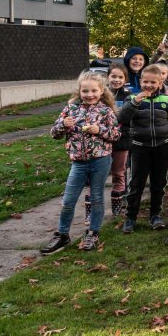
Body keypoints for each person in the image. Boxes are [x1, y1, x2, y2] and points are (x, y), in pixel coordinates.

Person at [41, 71, 121, 254]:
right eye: (85, 91)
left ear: (101, 91)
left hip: (100, 160)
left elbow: (116, 135)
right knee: (68, 200)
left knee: (97, 198)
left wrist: (99, 130)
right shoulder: (70, 109)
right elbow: (54, 133)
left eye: (94, 90)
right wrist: (63, 125)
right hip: (78, 162)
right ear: (79, 91)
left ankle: (93, 233)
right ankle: (62, 234)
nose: (90, 95)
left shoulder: (105, 111)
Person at [118, 65, 168, 234]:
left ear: (160, 83)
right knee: (136, 184)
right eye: (145, 81)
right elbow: (122, 118)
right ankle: (130, 218)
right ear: (140, 81)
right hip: (139, 147)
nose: (149, 85)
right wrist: (135, 102)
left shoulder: (166, 101)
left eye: (153, 82)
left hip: (163, 146)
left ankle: (155, 216)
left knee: (158, 183)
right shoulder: (132, 99)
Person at [105, 63, 132, 218]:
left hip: (121, 139)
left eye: (120, 77)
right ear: (108, 77)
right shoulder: (100, 94)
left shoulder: (128, 95)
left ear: (125, 79)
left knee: (119, 172)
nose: (116, 79)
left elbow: (126, 117)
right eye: (113, 76)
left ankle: (119, 204)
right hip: (103, 139)